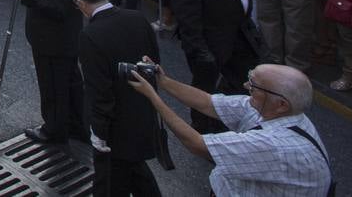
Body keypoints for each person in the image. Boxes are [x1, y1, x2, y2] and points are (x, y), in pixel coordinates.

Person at [126, 62, 333, 196]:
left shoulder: (276, 146)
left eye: (254, 86)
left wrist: (153, 96)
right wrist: (163, 81)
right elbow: (207, 103)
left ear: (281, 104)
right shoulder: (272, 110)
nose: (246, 86)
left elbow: (197, 144)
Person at [64, 0, 162, 197]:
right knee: (135, 172)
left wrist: (99, 131)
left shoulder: (90, 35)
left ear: (79, 3)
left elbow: (99, 89)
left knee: (109, 182)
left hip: (114, 124)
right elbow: (153, 64)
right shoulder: (137, 18)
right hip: (142, 110)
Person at [170, 0, 262, 133]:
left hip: (239, 35)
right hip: (210, 41)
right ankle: (203, 132)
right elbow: (186, 12)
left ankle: (235, 122)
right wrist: (200, 50)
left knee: (243, 82)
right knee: (205, 88)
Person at [11, 0, 85, 144]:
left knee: (53, 86)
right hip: (63, 40)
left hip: (53, 41)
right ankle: (75, 124)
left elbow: (58, 9)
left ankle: (53, 129)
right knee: (70, 84)